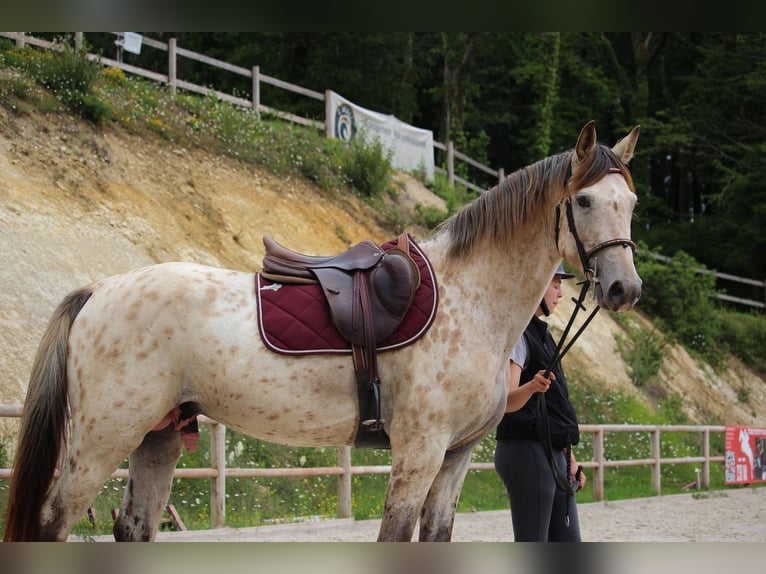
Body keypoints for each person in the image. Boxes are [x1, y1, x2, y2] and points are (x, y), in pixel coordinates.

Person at [494, 263, 587, 541]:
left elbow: (555, 409)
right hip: (525, 451)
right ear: (536, 286)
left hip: (550, 453)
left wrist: (568, 458)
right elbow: (505, 403)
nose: (560, 293)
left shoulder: (543, 335)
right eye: (555, 284)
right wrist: (532, 387)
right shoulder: (518, 337)